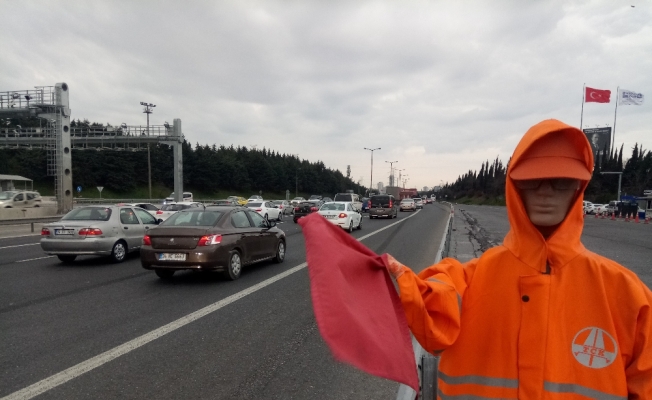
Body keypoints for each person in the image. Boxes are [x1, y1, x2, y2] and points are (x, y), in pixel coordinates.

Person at [385, 119, 652, 398]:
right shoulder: (469, 279)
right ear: (515, 186)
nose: (546, 191)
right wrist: (407, 286)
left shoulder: (627, 295)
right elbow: (434, 319)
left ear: (578, 187)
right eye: (533, 181)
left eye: (561, 181)